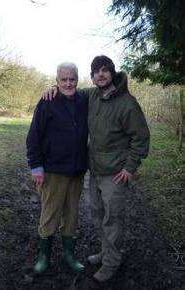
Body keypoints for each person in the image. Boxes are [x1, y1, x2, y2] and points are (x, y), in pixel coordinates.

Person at [43, 55, 150, 283]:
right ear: (92, 77)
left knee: (113, 219)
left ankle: (112, 262)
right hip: (96, 170)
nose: (100, 74)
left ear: (112, 73)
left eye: (104, 70)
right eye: (96, 71)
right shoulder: (91, 96)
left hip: (116, 174)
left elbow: (141, 138)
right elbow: (68, 89)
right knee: (98, 215)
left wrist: (130, 167)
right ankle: (105, 252)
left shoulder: (127, 103)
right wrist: (54, 87)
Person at [26, 62, 88, 274]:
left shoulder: (84, 100)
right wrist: (36, 166)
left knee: (72, 214)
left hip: (77, 170)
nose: (68, 83)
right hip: (52, 171)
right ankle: (44, 257)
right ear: (57, 80)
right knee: (50, 213)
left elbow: (104, 88)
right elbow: (33, 137)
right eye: (64, 79)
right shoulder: (47, 102)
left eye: (72, 79)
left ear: (77, 80)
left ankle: (69, 255)